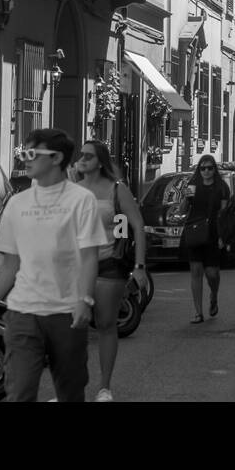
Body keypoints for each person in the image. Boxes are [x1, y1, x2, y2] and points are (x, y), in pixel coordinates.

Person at [0, 128, 106, 402]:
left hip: (66, 314)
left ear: (56, 158)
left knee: (70, 393)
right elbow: (9, 266)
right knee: (20, 393)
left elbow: (89, 257)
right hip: (22, 314)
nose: (24, 160)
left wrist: (84, 301)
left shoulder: (81, 200)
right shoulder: (17, 204)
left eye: (31, 153)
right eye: (23, 153)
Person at [72, 140, 147, 402]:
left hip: (109, 264)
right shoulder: (73, 189)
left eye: (88, 156)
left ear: (100, 161)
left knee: (105, 324)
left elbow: (136, 224)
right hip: (78, 267)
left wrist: (139, 267)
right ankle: (74, 387)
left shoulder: (117, 189)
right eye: (80, 154)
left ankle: (104, 388)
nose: (82, 159)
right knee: (75, 328)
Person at [182, 153, 230, 322]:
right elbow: (183, 210)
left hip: (213, 234)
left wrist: (223, 236)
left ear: (214, 169)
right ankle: (198, 312)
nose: (206, 171)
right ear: (199, 170)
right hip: (195, 232)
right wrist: (187, 198)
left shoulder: (222, 187)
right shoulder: (193, 185)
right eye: (203, 168)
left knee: (212, 274)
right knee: (195, 271)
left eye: (210, 168)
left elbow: (223, 214)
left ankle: (214, 295)